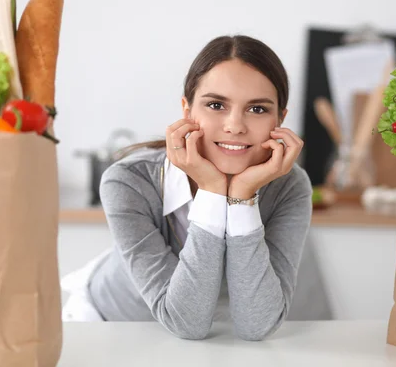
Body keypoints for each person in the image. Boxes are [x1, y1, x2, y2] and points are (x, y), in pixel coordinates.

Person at [67, 34, 313, 341]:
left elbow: (258, 325)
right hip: (111, 329)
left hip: (207, 342)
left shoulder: (290, 187)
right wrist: (212, 191)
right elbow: (185, 322)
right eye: (215, 104)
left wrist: (242, 197)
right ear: (187, 111)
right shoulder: (129, 181)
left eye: (258, 109)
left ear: (280, 119)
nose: (235, 125)